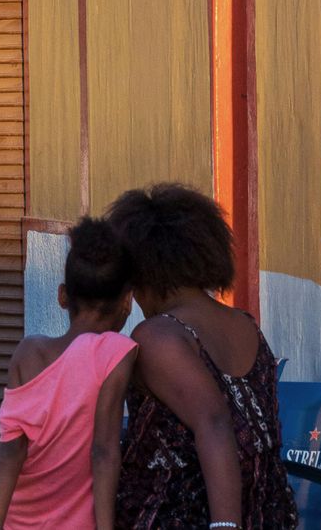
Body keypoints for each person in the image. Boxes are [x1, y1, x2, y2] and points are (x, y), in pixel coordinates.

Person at [105, 184, 298, 530]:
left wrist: (224, 526)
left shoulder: (157, 337)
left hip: (178, 516)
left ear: (142, 273)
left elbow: (214, 423)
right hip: (265, 515)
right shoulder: (244, 325)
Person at [0, 217, 138, 530]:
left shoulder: (28, 354)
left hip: (18, 523)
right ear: (127, 301)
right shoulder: (115, 352)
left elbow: (10, 451)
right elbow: (104, 451)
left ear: (63, 296)